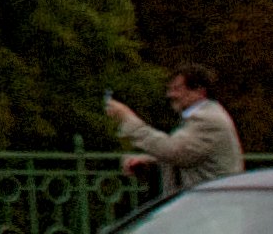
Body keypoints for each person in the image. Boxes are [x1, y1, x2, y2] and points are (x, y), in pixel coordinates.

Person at [104, 66, 243, 190]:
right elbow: (190, 155)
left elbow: (175, 151)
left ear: (200, 91)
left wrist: (128, 119)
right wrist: (150, 160)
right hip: (208, 203)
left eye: (177, 89)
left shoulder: (207, 119)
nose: (170, 95)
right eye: (170, 89)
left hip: (210, 204)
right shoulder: (205, 115)